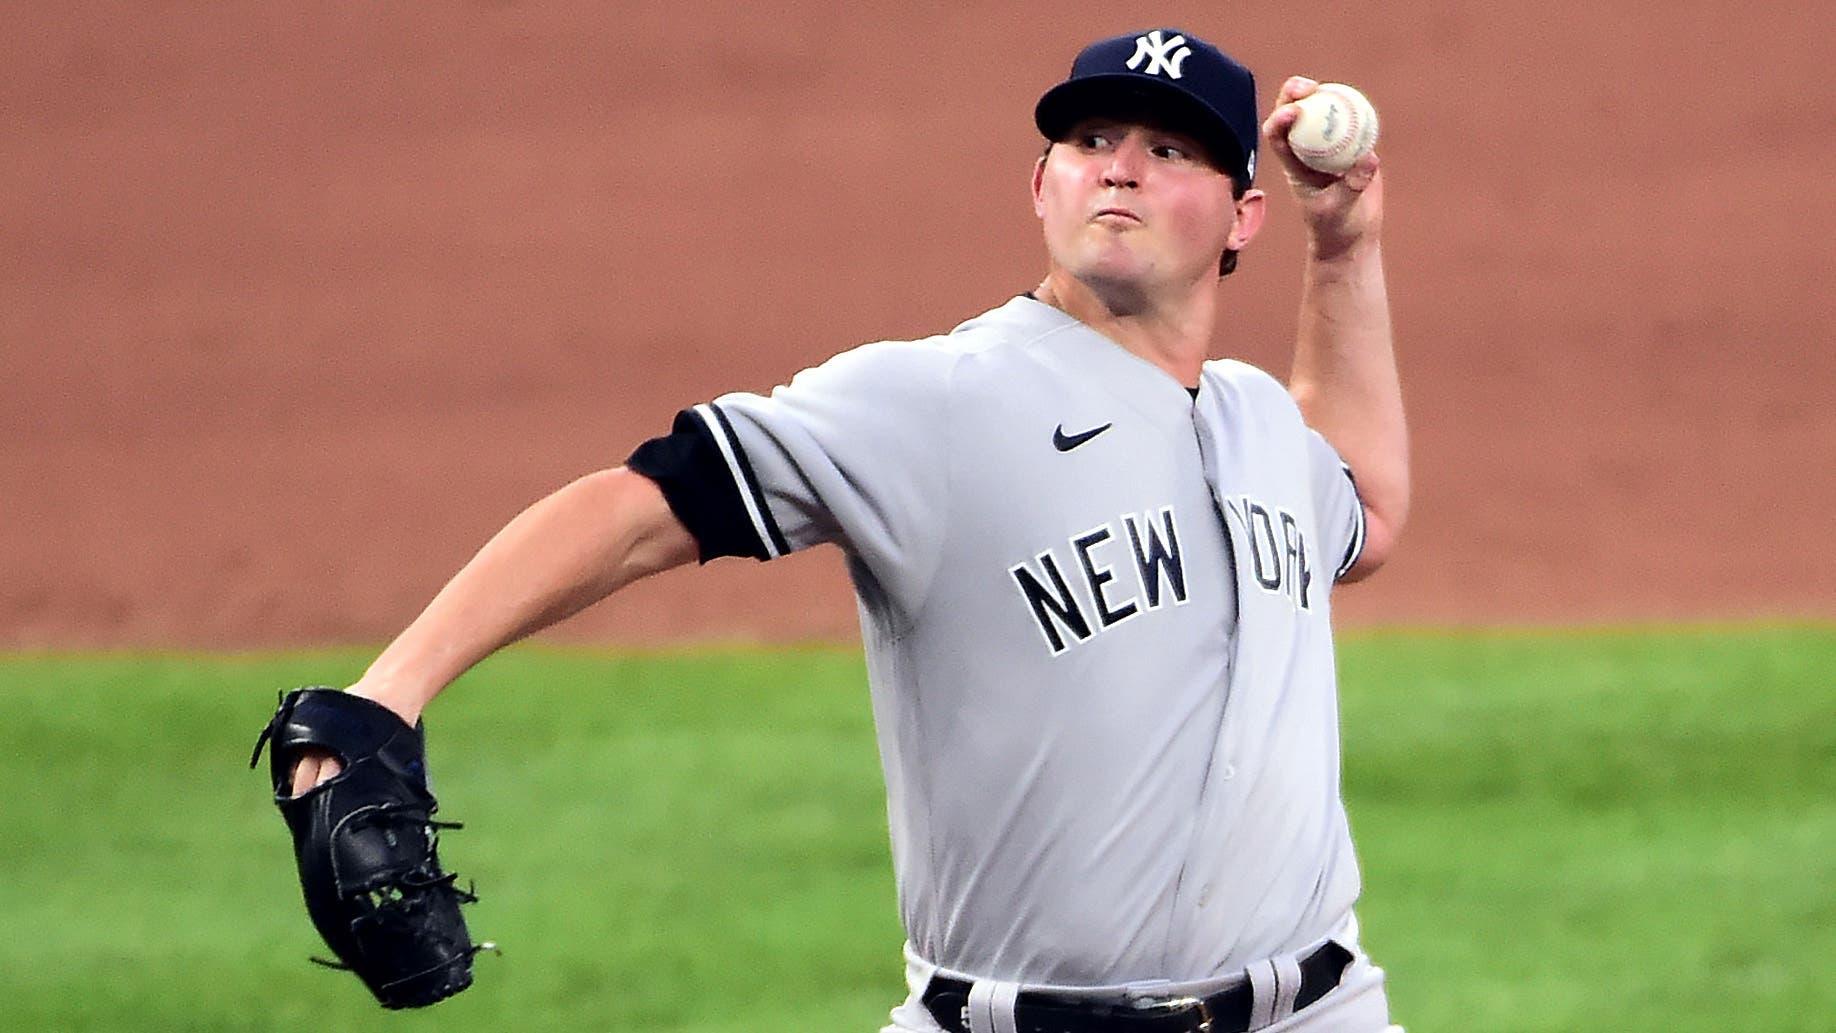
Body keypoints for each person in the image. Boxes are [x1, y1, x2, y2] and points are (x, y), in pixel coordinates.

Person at [285, 27, 1408, 1033]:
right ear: (1040, 184)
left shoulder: (1262, 422)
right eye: (1093, 138)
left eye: (1171, 150)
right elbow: (642, 507)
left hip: (1318, 1004)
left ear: (1241, 216)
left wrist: (1345, 244)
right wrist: (388, 692)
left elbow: (1367, 503)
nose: (1120, 164)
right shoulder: (932, 400)